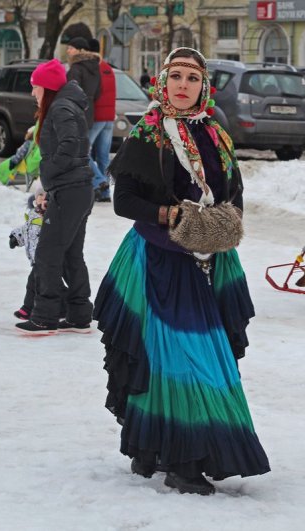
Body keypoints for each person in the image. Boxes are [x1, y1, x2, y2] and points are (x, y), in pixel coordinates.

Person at [93, 47, 270, 495]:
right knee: (182, 360)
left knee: (192, 358)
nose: (184, 85)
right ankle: (181, 459)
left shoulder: (216, 133)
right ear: (162, 82)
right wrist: (171, 214)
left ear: (204, 86)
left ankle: (152, 446)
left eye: (193, 78)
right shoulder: (148, 134)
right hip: (160, 261)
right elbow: (123, 201)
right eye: (176, 77)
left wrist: (227, 223)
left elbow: (234, 189)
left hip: (213, 259)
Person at [15, 59, 94, 336]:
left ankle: (45, 316)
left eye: (35, 87)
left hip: (70, 189)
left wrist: (48, 171)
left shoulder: (60, 107)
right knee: (71, 254)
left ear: (46, 87)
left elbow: (70, 144)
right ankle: (79, 313)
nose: (33, 93)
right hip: (76, 188)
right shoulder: (65, 105)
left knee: (48, 253)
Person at [9, 184, 46, 320]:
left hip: (45, 258)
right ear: (35, 199)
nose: (43, 198)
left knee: (34, 284)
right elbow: (27, 230)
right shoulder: (33, 214)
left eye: (46, 196)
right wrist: (16, 237)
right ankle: (66, 307)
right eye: (40, 195)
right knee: (46, 285)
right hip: (36, 258)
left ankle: (27, 308)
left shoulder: (48, 216)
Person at [87, 38, 116, 203]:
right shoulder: (108, 69)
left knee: (82, 152)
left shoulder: (92, 69)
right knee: (103, 157)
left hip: (97, 117)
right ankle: (104, 194)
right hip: (109, 118)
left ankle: (100, 181)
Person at [65, 36, 101, 129]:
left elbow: (71, 93)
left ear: (80, 50)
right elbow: (98, 91)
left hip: (75, 113)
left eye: (71, 48)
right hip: (89, 112)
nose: (68, 51)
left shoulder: (76, 68)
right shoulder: (95, 67)